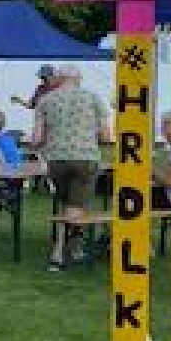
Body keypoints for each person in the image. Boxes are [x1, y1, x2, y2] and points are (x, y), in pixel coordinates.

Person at [32, 65, 109, 273]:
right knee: (76, 205)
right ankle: (60, 253)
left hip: (56, 159)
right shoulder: (94, 98)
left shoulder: (45, 100)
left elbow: (37, 140)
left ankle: (72, 247)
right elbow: (105, 137)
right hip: (85, 158)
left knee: (66, 204)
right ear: (78, 79)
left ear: (59, 79)